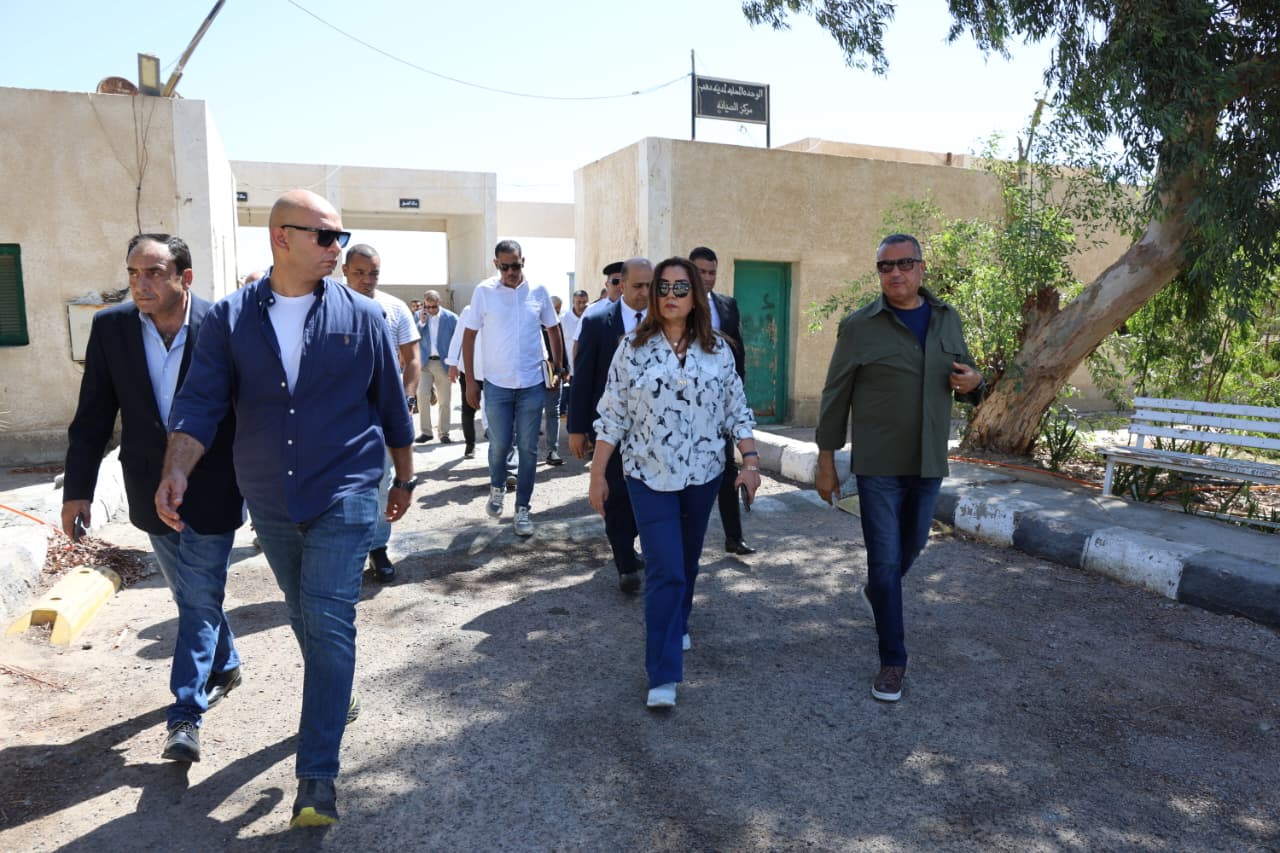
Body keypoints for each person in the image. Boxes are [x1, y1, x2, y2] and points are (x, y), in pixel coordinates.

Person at [158, 190, 415, 828]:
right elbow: (200, 402)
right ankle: (335, 691)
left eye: (341, 237)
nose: (337, 248)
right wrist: (176, 468)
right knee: (302, 613)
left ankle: (316, 781)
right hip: (270, 496)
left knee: (328, 620)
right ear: (282, 237)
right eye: (325, 236)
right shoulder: (230, 318)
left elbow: (391, 405)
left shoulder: (363, 316)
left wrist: (404, 478)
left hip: (346, 489)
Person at [63, 233, 246, 765]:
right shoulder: (112, 328)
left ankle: (185, 714)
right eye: (133, 273)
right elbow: (94, 416)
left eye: (153, 273)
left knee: (198, 594)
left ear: (184, 277)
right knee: (193, 595)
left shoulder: (223, 324)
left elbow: (252, 407)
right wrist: (78, 491)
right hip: (148, 485)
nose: (140, 284)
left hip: (214, 483)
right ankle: (226, 663)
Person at [815, 233, 984, 704]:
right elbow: (835, 396)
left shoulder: (947, 318)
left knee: (912, 546)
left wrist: (976, 382)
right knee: (885, 559)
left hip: (928, 460)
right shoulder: (859, 326)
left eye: (904, 263)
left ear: (921, 268)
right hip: (879, 465)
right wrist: (826, 460)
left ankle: (878, 592)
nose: (895, 273)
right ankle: (893, 660)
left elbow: (968, 376)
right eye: (885, 266)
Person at [589, 256, 760, 709]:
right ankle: (662, 673)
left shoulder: (718, 351)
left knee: (686, 561)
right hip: (648, 476)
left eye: (680, 288)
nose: (670, 296)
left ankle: (678, 621)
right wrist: (597, 474)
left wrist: (750, 461)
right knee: (664, 568)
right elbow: (612, 415)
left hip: (703, 475)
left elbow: (737, 411)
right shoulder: (631, 349)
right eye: (662, 288)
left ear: (696, 296)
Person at [461, 239, 564, 537]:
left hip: (532, 384)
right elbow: (469, 336)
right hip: (497, 385)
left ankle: (522, 509)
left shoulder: (538, 291)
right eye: (504, 267)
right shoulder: (484, 292)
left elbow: (553, 328)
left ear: (523, 262)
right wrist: (471, 381)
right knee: (500, 444)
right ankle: (497, 487)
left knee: (529, 449)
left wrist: (557, 366)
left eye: (515, 266)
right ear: (496, 264)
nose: (510, 272)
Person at [569, 257, 652, 592]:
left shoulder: (666, 321)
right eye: (637, 286)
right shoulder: (596, 321)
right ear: (621, 285)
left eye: (650, 286)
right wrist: (577, 428)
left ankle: (629, 543)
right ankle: (625, 562)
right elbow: (583, 378)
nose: (644, 292)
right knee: (616, 493)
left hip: (653, 431)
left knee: (645, 493)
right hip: (611, 428)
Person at [342, 244, 421, 583]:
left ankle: (377, 547)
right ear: (345, 271)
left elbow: (412, 358)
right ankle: (341, 551)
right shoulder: (327, 305)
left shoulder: (394, 308)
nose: (367, 280)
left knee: (380, 481)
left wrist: (407, 398)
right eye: (359, 273)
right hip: (337, 414)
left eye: (373, 273)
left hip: (381, 412)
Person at [689, 246, 756, 557]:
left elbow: (738, 351)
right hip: (685, 406)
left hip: (720, 407)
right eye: (701, 271)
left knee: (727, 468)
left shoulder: (728, 306)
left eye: (712, 272)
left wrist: (737, 395)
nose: (707, 278)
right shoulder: (676, 305)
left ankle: (734, 537)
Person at [415, 290, 458, 444]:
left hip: (443, 363)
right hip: (424, 363)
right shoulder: (418, 316)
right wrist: (421, 322)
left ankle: (444, 432)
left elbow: (458, 341)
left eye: (434, 307)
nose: (431, 310)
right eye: (428, 307)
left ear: (440, 303)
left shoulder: (451, 318)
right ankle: (426, 432)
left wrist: (455, 364)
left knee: (444, 400)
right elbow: (413, 336)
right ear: (424, 304)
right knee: (422, 395)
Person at [446, 304, 480, 459]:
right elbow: (458, 337)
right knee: (468, 409)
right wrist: (453, 364)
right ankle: (470, 445)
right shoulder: (468, 311)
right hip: (469, 370)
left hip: (493, 371)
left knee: (494, 410)